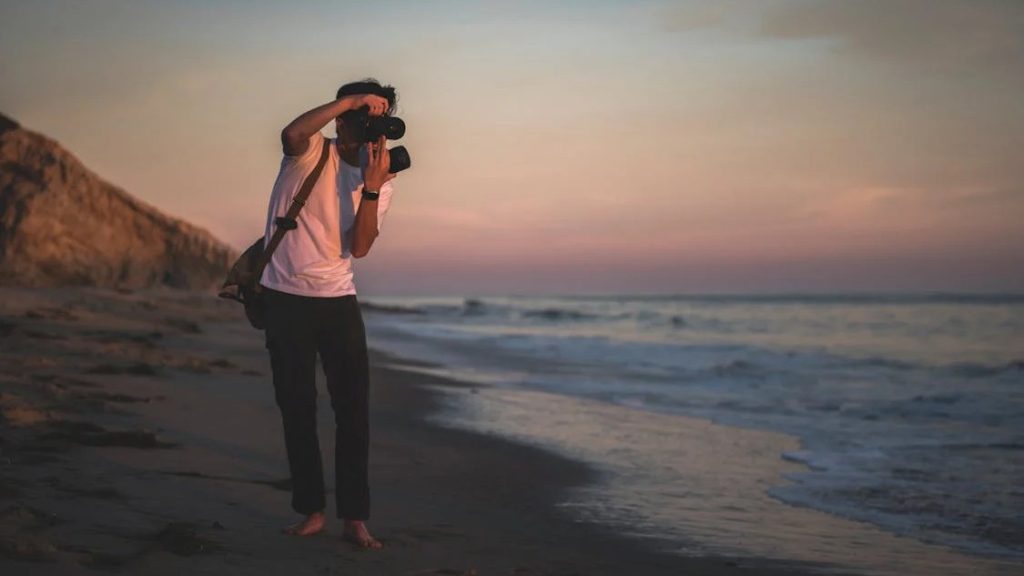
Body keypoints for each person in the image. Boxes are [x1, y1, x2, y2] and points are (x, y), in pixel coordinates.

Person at [258, 79, 399, 549]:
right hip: (284, 297)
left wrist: (373, 189)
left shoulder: (379, 175)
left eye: (375, 121)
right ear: (342, 118)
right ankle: (311, 510)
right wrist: (350, 102)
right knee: (297, 408)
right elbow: (290, 132)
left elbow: (358, 247)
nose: (368, 131)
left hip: (338, 300)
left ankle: (355, 518)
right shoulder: (310, 151)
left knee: (353, 413)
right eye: (360, 118)